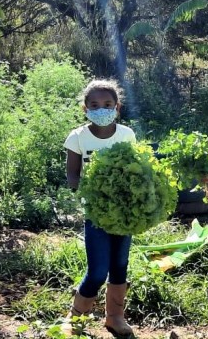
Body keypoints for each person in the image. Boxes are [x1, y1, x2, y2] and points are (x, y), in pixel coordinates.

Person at [63, 79, 136, 336]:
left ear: (117, 108)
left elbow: (135, 171)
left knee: (119, 266)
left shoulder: (126, 135)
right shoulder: (78, 137)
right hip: (95, 213)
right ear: (85, 109)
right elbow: (72, 175)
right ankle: (75, 319)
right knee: (97, 270)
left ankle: (115, 318)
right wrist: (88, 192)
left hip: (124, 213)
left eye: (107, 104)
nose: (101, 109)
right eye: (94, 105)